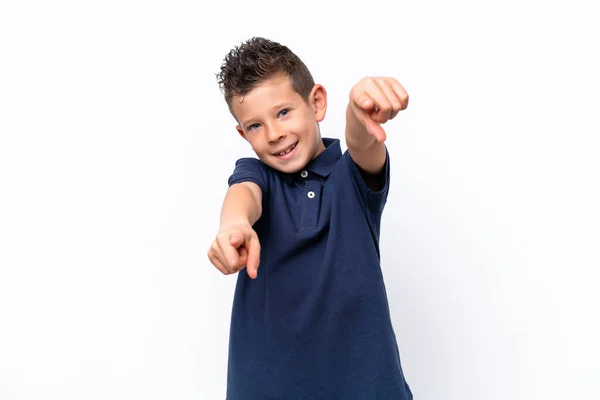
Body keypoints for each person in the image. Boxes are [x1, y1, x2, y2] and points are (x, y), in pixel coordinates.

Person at [208, 36, 412, 399]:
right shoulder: (258, 176)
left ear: (316, 103)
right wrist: (234, 225)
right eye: (255, 126)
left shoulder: (350, 179)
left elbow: (363, 143)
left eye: (283, 112)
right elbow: (243, 195)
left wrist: (357, 109)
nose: (274, 134)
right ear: (242, 133)